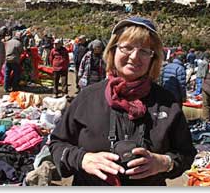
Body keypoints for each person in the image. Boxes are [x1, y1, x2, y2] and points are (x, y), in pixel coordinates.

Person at [49, 17, 196, 186]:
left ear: (153, 59)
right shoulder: (87, 98)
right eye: (127, 48)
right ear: (112, 51)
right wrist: (81, 159)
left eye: (144, 51)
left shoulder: (167, 103)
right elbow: (56, 143)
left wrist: (164, 162)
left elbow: (186, 153)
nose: (134, 57)